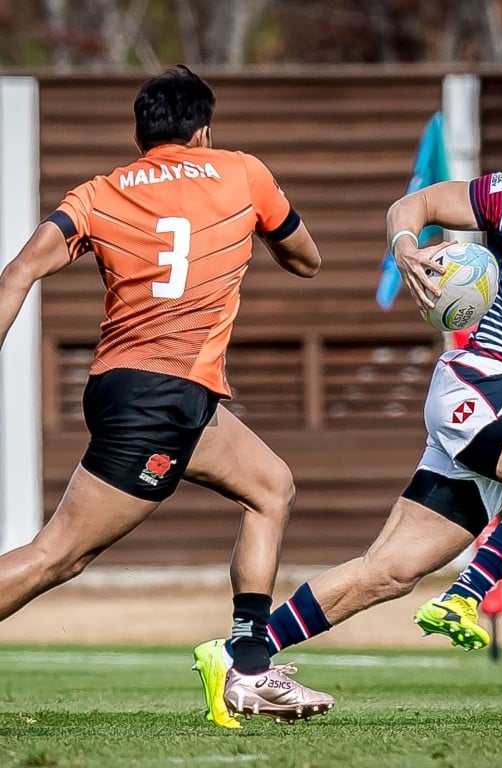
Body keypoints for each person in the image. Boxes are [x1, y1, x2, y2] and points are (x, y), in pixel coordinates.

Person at [193, 103, 502, 727]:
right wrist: (405, 248)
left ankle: (242, 656)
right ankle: (466, 594)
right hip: (480, 382)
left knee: (388, 573)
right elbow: (416, 206)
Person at [0, 65, 334, 725]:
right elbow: (307, 259)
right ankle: (246, 668)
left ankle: (247, 666)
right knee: (57, 556)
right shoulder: (243, 173)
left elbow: (19, 271)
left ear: (140, 133)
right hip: (162, 398)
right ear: (203, 130)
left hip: (144, 390)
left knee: (271, 487)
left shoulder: (99, 193)